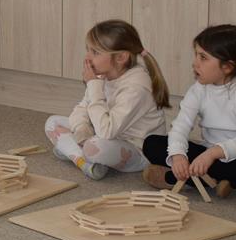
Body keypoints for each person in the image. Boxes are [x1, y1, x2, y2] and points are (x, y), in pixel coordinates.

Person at [142, 24, 236, 199]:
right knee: (151, 143)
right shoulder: (198, 89)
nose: (195, 63)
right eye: (196, 55)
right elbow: (180, 126)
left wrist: (212, 154)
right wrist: (178, 155)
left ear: (227, 67)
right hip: (206, 152)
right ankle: (223, 178)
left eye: (203, 57)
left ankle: (186, 177)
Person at [45, 20, 170, 180]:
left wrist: (93, 85)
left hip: (137, 149)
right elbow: (83, 108)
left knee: (94, 146)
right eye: (88, 50)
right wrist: (81, 129)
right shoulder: (104, 75)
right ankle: (85, 159)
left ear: (121, 57)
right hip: (106, 133)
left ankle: (77, 155)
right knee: (53, 123)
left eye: (95, 52)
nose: (87, 57)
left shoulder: (136, 88)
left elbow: (106, 131)